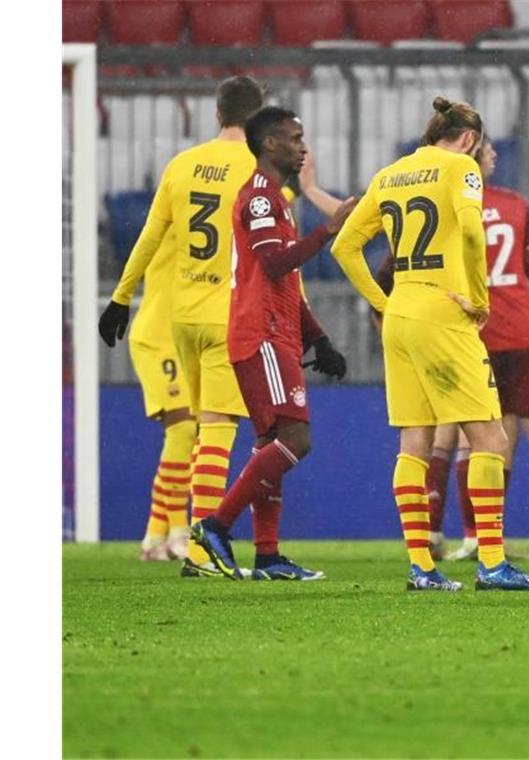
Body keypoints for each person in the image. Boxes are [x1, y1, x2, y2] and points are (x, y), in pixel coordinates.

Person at [331, 96, 529, 592]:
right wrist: (479, 298)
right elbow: (472, 234)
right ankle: (493, 563)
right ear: (470, 140)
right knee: (491, 439)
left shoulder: (390, 174)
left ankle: (422, 568)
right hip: (445, 315)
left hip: (402, 316)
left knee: (415, 443)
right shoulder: (460, 168)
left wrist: (382, 301)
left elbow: (344, 246)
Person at [98, 76, 267, 577]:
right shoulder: (260, 172)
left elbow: (148, 237)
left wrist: (118, 297)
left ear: (216, 114)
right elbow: (277, 256)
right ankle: (194, 545)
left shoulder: (183, 165)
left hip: (183, 319)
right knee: (212, 429)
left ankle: (173, 533)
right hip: (220, 317)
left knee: (195, 428)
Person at [190, 107, 356, 580]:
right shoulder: (260, 197)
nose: (303, 147)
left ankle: (267, 555)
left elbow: (286, 281)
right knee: (295, 440)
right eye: (294, 138)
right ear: (269, 145)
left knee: (271, 445)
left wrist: (319, 340)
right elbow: (276, 264)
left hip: (274, 330)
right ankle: (216, 525)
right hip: (261, 334)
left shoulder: (276, 199)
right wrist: (329, 229)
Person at [443, 136, 529, 562]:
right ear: (479, 159)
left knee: (474, 439)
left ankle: (476, 535)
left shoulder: (450, 206)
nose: (495, 157)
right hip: (521, 331)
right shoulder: (515, 206)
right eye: (491, 152)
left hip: (473, 330)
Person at [100, 223, 196, 563]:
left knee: (187, 434)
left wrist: (294, 191)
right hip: (158, 337)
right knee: (184, 430)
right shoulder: (173, 217)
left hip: (183, 337)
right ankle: (178, 532)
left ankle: (155, 537)